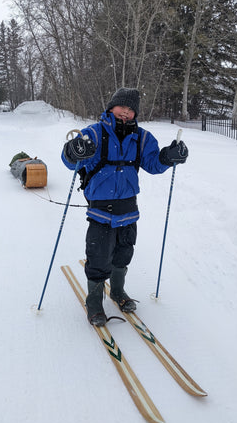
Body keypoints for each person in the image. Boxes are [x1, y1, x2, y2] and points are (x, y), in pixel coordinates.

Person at [61, 87, 188, 327]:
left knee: (123, 254)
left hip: (129, 210)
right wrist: (73, 151)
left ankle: (117, 292)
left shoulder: (142, 137)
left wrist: (169, 157)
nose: (125, 113)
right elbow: (70, 162)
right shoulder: (95, 134)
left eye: (130, 110)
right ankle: (94, 302)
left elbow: (153, 164)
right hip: (100, 210)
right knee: (98, 258)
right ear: (111, 107)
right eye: (122, 108)